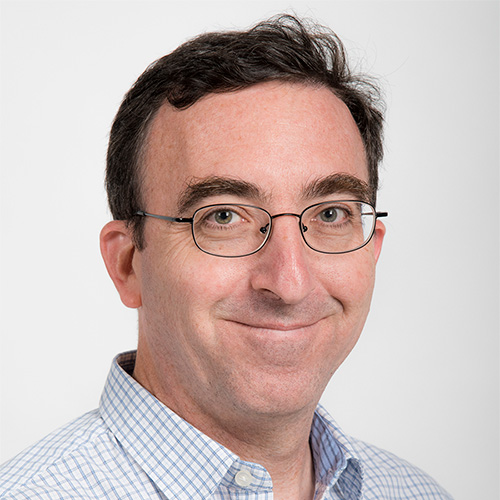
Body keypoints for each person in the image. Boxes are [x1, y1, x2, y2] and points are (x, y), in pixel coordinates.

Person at [0, 14, 453, 500]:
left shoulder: (414, 492)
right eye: (222, 218)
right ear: (128, 263)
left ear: (372, 249)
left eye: (332, 213)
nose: (289, 281)